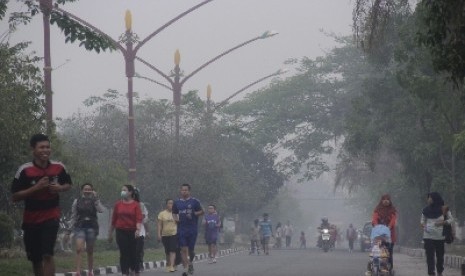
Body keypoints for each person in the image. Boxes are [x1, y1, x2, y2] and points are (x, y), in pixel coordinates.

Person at [11, 133, 72, 276]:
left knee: (47, 255)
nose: (45, 150)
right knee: (36, 259)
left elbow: (68, 184)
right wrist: (35, 188)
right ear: (33, 149)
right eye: (41, 147)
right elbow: (15, 196)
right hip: (31, 219)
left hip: (52, 215)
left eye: (48, 147)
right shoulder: (24, 170)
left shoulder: (59, 167)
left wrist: (60, 188)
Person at [68, 183, 104, 276]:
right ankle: (78, 271)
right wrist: (69, 228)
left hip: (91, 227)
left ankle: (90, 271)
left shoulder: (94, 200)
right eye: (85, 189)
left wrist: (96, 198)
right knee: (79, 249)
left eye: (89, 189)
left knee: (90, 250)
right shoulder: (77, 201)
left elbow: (101, 210)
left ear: (92, 190)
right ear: (82, 190)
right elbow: (73, 215)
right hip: (80, 226)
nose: (87, 190)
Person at [108, 185, 143, 276]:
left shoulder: (136, 204)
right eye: (122, 190)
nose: (122, 192)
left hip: (132, 231)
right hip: (120, 231)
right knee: (124, 252)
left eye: (124, 190)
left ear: (130, 192)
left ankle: (134, 270)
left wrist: (138, 230)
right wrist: (110, 233)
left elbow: (139, 218)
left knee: (133, 252)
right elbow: (114, 219)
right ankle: (124, 272)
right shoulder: (118, 204)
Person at [172, 183, 204, 276]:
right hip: (181, 229)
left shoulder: (195, 201)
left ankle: (190, 263)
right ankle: (185, 269)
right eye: (182, 190)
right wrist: (176, 219)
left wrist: (194, 214)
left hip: (192, 229)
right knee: (183, 249)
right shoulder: (177, 202)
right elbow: (174, 213)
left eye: (186, 190)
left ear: (189, 191)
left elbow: (202, 211)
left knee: (191, 251)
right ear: (180, 191)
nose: (184, 191)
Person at [421, 192, 453, 276]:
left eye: (430, 197)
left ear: (435, 198)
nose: (428, 199)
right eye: (428, 198)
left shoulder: (444, 209)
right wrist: (424, 226)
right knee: (429, 256)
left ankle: (439, 272)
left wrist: (443, 222)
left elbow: (451, 220)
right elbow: (422, 221)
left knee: (440, 256)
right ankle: (431, 273)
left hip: (440, 237)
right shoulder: (425, 210)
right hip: (428, 236)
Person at [372, 194, 397, 269]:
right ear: (381, 200)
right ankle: (377, 265)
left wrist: (389, 226)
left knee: (389, 252)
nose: (386, 201)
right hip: (379, 234)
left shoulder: (392, 210)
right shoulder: (377, 210)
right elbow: (374, 219)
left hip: (390, 235)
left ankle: (390, 267)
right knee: (377, 251)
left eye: (387, 199)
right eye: (384, 199)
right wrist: (376, 226)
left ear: (390, 201)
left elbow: (393, 220)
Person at [158, 199, 178, 273]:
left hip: (174, 234)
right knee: (167, 251)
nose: (171, 205)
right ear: (166, 204)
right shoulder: (162, 214)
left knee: (172, 250)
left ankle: (172, 266)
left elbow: (179, 223)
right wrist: (159, 234)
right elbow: (160, 225)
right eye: (169, 203)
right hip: (165, 234)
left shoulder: (176, 213)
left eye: (172, 203)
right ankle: (168, 264)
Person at [133, 188, 149, 272]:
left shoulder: (141, 205)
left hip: (140, 231)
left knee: (139, 250)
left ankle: (139, 263)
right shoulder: (124, 204)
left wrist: (147, 231)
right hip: (128, 230)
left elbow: (144, 219)